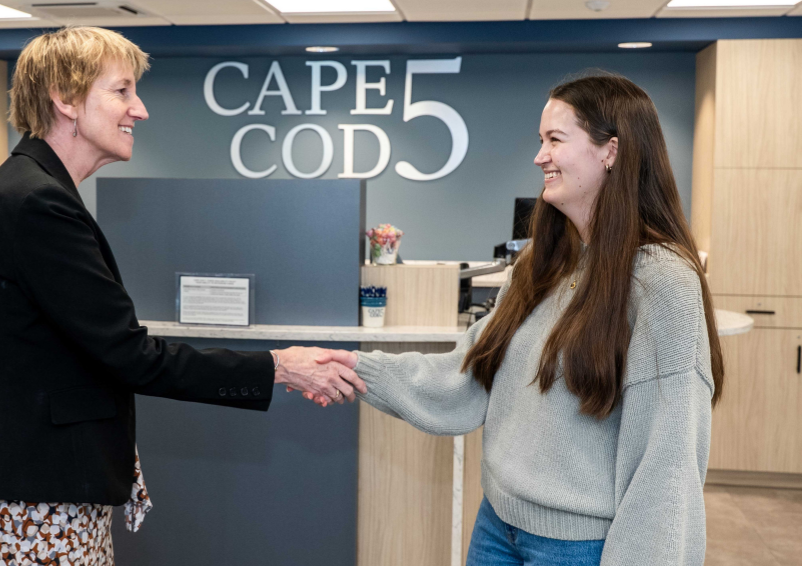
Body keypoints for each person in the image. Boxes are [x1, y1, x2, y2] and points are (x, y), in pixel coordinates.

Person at [0, 26, 363, 565]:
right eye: (122, 91)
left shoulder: (32, 189)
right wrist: (279, 366)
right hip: (29, 501)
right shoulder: (37, 203)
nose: (141, 109)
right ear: (65, 99)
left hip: (32, 486)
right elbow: (131, 356)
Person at [308, 74, 725, 565]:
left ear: (610, 151)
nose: (539, 156)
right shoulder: (542, 263)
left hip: (578, 547)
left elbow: (667, 464)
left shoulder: (663, 281)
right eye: (540, 140)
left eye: (555, 139)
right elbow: (470, 373)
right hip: (498, 526)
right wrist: (356, 369)